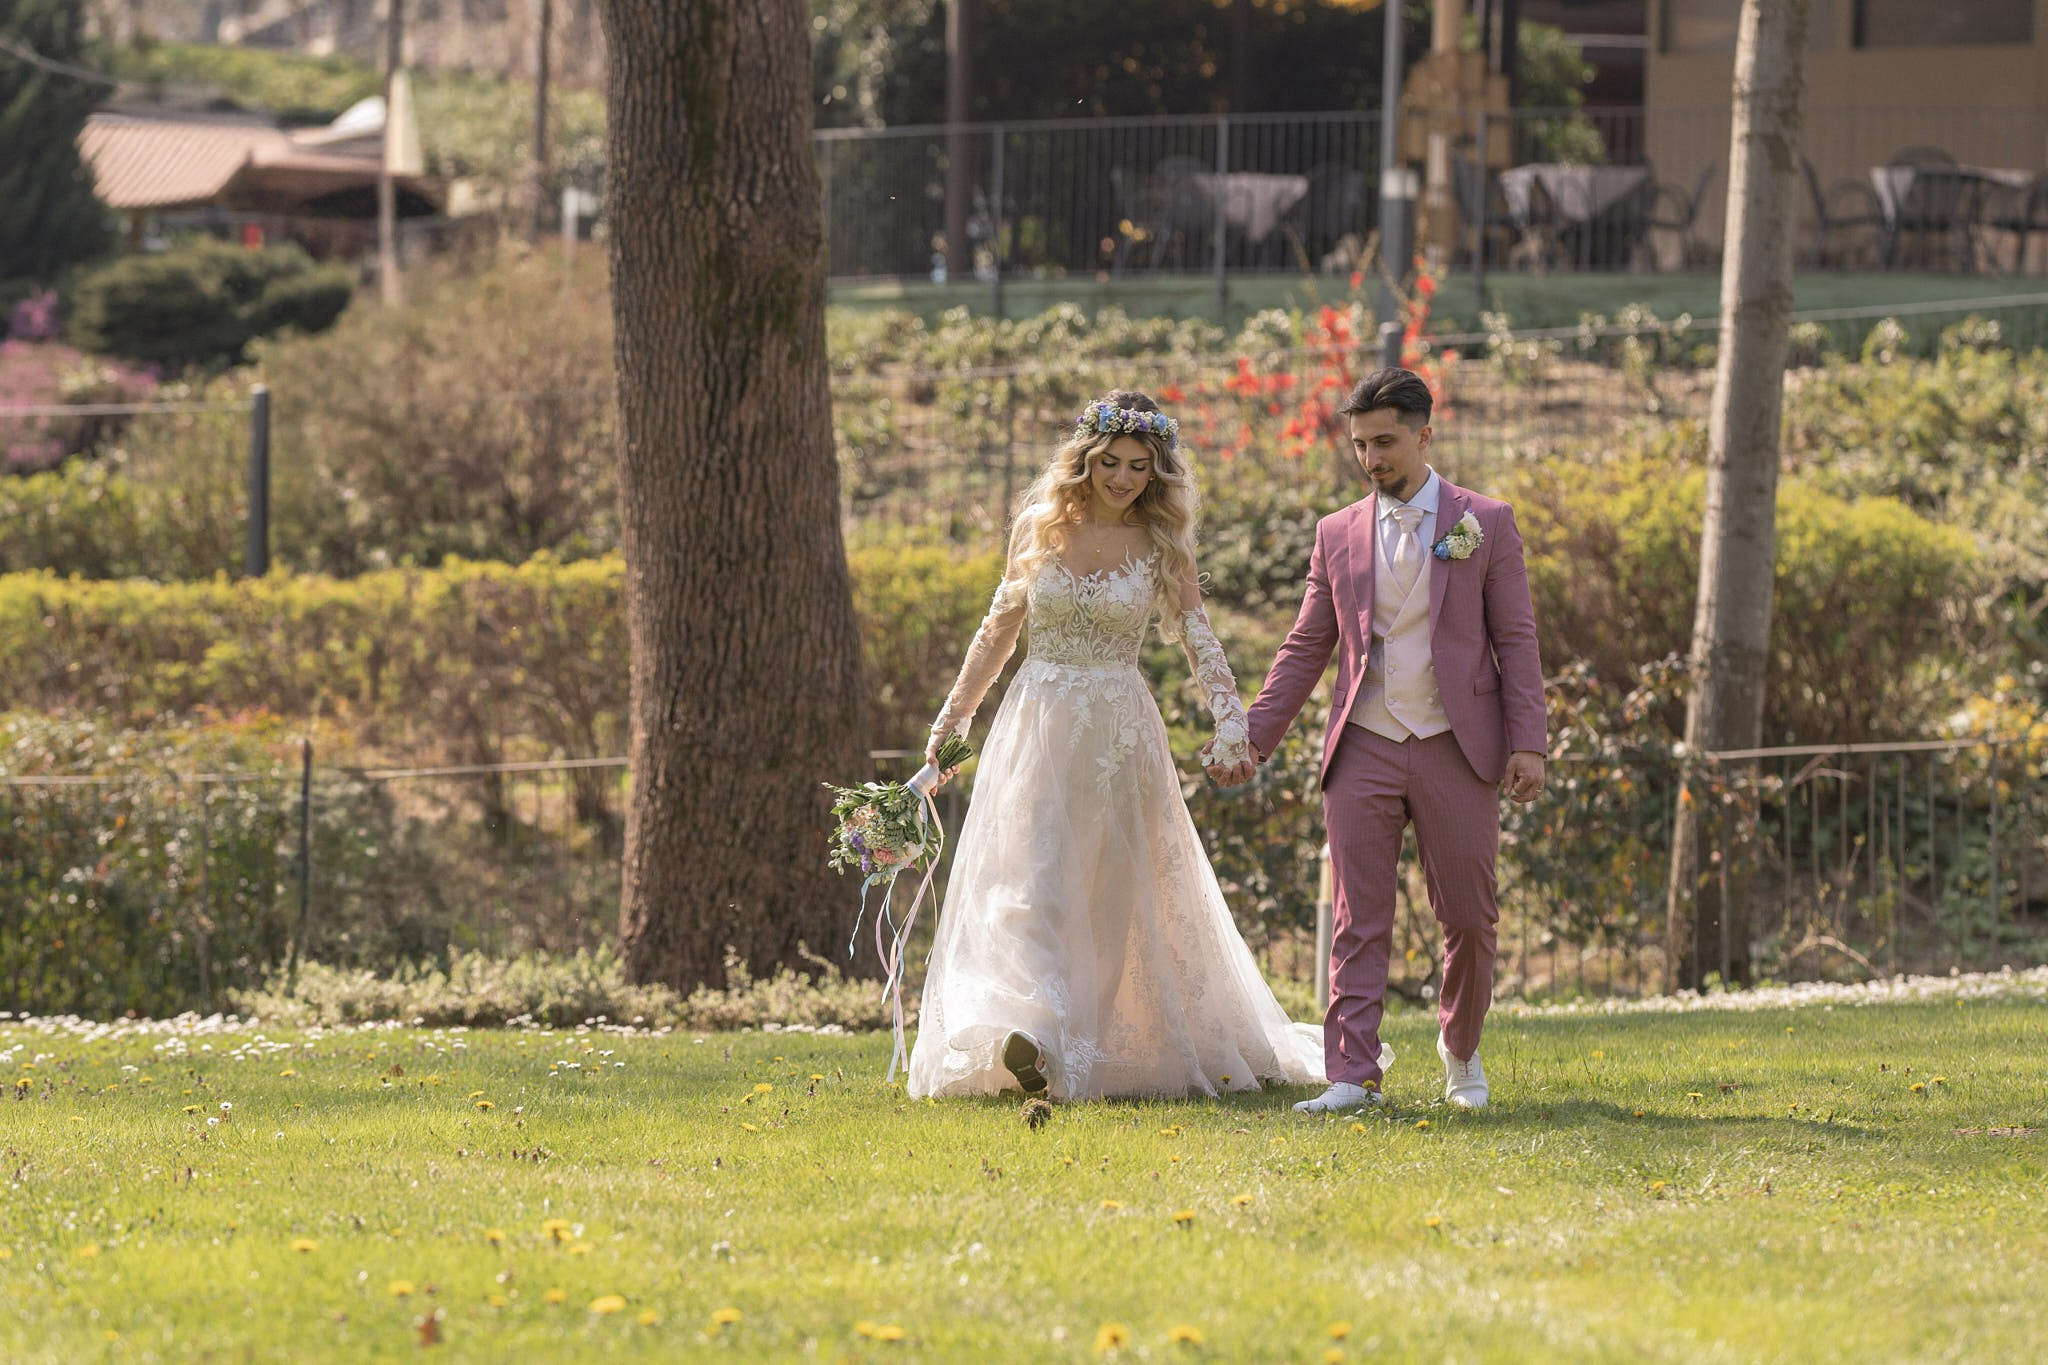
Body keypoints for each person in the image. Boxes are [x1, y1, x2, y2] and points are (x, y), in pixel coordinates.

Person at [906, 391, 1325, 1101]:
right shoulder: (1038, 529)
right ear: (1085, 459)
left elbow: (1198, 637)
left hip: (1116, 733)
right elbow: (997, 632)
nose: (1123, 477)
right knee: (1028, 880)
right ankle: (1026, 1033)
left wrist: (1233, 720)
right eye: (1110, 462)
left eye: (1139, 466)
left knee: (1107, 894)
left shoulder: (1161, 545)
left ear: (1156, 473)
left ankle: (1079, 1043)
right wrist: (949, 730)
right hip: (1035, 726)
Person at [1242, 368, 1546, 1113]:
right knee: (1357, 915)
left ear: (1423, 436)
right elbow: (1305, 647)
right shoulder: (1336, 533)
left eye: (1385, 442)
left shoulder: (1488, 522)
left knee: (1470, 917)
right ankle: (1352, 1073)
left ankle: (1462, 1050)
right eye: (1359, 445)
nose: (1372, 459)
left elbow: (1517, 638)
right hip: (1365, 742)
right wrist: (1251, 738)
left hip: (1457, 742)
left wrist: (1529, 741)